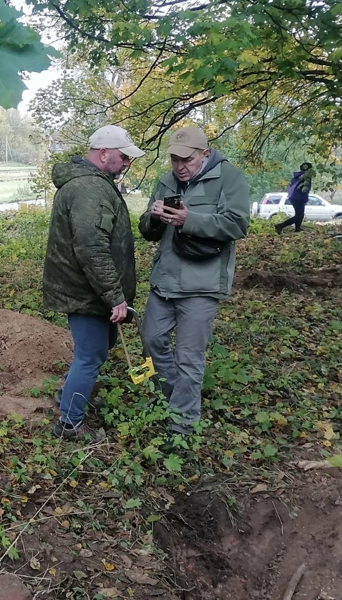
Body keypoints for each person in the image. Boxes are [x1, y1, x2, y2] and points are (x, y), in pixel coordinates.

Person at [138, 126, 250, 442]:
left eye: (186, 159)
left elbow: (237, 224)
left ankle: (182, 425)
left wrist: (191, 220)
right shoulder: (166, 180)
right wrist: (155, 218)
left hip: (202, 283)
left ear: (204, 152)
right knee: (151, 339)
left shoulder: (229, 177)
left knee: (189, 357)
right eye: (174, 159)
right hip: (165, 280)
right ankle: (173, 398)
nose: (179, 166)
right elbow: (147, 229)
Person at [42, 125, 145, 441]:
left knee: (98, 349)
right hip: (86, 291)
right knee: (90, 355)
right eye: (123, 157)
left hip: (90, 289)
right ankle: (69, 424)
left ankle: (71, 397)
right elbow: (91, 246)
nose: (127, 163)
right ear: (103, 154)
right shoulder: (89, 188)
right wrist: (115, 296)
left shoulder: (91, 183)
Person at [275, 162, 313, 233]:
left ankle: (297, 229)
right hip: (298, 198)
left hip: (293, 197)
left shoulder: (297, 176)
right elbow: (305, 189)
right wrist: (305, 199)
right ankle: (280, 226)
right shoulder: (305, 177)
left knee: (299, 214)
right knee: (299, 215)